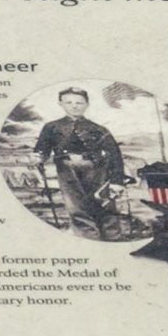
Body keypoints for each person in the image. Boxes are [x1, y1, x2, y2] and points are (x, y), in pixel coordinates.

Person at [34, 88, 129, 240]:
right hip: (67, 170)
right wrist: (38, 161)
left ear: (87, 104)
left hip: (97, 169)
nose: (74, 106)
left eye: (79, 102)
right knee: (77, 207)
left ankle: (113, 239)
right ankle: (89, 240)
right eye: (69, 102)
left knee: (105, 205)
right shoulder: (51, 127)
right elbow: (41, 151)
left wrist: (117, 181)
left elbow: (115, 155)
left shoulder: (99, 129)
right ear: (61, 104)